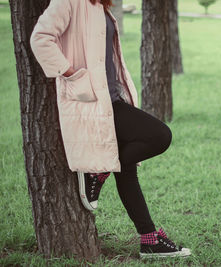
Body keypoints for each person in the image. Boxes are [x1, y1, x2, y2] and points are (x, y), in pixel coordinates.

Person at [31, 0, 191, 259]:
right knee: (160, 135)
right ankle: (100, 169)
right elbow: (41, 38)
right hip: (91, 101)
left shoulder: (99, 5)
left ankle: (149, 239)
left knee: (127, 170)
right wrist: (72, 73)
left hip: (112, 99)